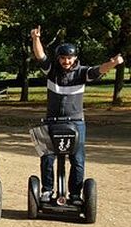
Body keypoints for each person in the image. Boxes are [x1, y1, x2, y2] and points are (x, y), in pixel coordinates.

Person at [30, 26, 124, 204]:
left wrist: (113, 63)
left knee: (77, 160)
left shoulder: (82, 73)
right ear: (58, 59)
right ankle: (47, 190)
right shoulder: (52, 71)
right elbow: (40, 56)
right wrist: (36, 39)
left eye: (69, 58)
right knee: (47, 158)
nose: (66, 61)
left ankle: (74, 194)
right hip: (51, 121)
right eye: (63, 58)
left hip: (76, 122)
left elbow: (99, 70)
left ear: (75, 58)